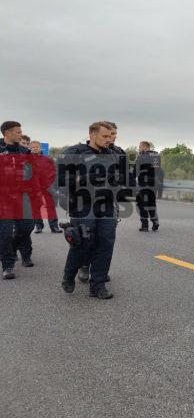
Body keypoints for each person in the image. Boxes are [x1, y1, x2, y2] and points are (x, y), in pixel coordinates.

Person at [59, 122, 118, 299]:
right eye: (105, 136)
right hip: (82, 203)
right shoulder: (75, 152)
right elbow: (61, 178)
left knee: (105, 243)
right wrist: (85, 178)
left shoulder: (113, 154)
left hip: (106, 204)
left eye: (110, 136)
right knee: (83, 242)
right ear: (92, 135)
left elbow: (122, 177)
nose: (109, 140)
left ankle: (98, 286)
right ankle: (69, 276)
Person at [0, 121, 36, 279]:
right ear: (7, 133)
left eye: (21, 132)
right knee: (5, 233)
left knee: (27, 227)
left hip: (23, 196)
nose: (21, 134)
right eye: (18, 132)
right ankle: (8, 265)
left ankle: (12, 249)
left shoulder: (24, 151)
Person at [28, 140, 62, 234]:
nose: (35, 148)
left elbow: (54, 172)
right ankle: (39, 227)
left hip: (47, 186)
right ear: (30, 148)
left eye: (37, 147)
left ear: (40, 148)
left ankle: (54, 226)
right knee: (35, 206)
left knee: (51, 206)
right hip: (34, 187)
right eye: (33, 147)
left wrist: (53, 185)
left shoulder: (48, 159)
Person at [135, 141, 160, 232]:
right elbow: (158, 170)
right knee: (152, 204)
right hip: (154, 185)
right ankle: (155, 222)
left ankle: (145, 225)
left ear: (145, 147)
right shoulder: (156, 156)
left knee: (142, 204)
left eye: (140, 147)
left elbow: (136, 170)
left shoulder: (141, 156)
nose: (139, 149)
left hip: (143, 185)